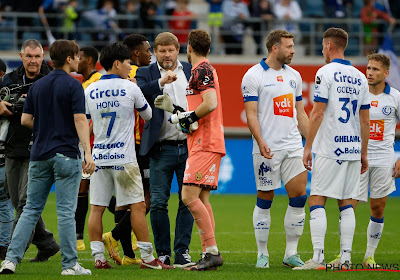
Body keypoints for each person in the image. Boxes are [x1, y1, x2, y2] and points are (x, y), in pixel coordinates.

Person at [0, 39, 95, 275]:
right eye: (77, 56)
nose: (78, 60)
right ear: (70, 59)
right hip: (65, 154)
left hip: (38, 155)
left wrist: (45, 129)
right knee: (65, 212)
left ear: (50, 59)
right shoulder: (74, 85)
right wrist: (88, 152)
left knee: (30, 209)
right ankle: (70, 264)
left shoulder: (37, 87)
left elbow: (25, 120)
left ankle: (10, 260)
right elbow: (80, 119)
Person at [86, 42, 174, 270]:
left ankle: (98, 258)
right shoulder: (130, 87)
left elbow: (85, 121)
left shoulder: (89, 90)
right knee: (137, 206)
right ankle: (147, 257)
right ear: (117, 63)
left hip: (99, 157)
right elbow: (147, 115)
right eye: (127, 63)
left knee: (96, 208)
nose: (130, 67)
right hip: (124, 158)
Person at [294, 27, 370, 270]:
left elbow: (317, 113)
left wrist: (308, 147)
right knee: (347, 203)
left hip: (331, 148)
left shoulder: (324, 72)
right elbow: (366, 120)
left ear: (329, 46)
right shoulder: (360, 77)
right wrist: (364, 153)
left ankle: (318, 257)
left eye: (322, 46)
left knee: (317, 198)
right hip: (353, 148)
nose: (322, 50)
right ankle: (346, 259)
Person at [155, 28, 225, 271]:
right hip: (202, 140)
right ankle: (209, 252)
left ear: (189, 49)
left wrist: (186, 118)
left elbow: (210, 105)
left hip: (204, 142)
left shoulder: (201, 70)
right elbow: (194, 118)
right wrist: (175, 112)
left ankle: (212, 251)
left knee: (187, 197)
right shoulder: (203, 69)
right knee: (202, 198)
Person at [241, 29, 309, 269]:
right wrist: (260, 141)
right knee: (265, 199)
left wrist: (310, 144)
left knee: (299, 197)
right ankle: (263, 254)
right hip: (267, 148)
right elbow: (251, 115)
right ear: (274, 48)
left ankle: (291, 253)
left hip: (292, 146)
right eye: (289, 46)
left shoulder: (295, 76)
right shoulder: (253, 75)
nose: (293, 50)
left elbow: (300, 113)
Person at [327, 54, 400, 268]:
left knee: (378, 208)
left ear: (386, 73)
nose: (369, 72)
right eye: (368, 68)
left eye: (376, 69)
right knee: (348, 206)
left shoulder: (395, 97)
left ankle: (369, 257)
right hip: (357, 158)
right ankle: (343, 255)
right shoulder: (358, 93)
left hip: (384, 160)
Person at [135, 32, 195, 267]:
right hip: (160, 148)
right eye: (162, 51)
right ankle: (163, 253)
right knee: (158, 202)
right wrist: (161, 82)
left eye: (170, 50)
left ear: (177, 50)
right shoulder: (145, 72)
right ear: (156, 53)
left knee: (187, 201)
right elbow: (140, 93)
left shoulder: (190, 71)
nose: (167, 55)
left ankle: (182, 252)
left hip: (189, 146)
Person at [0, 39, 60, 263]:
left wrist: (24, 104)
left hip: (40, 148)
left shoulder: (51, 78)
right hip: (13, 146)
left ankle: (12, 253)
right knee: (17, 202)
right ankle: (47, 244)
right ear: (21, 56)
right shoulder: (10, 79)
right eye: (29, 56)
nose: (33, 61)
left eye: (37, 56)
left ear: (43, 56)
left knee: (26, 203)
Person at [102, 34, 152, 266]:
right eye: (147, 50)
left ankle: (129, 256)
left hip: (119, 147)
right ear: (134, 54)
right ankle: (115, 236)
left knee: (123, 202)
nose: (150, 54)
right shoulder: (130, 78)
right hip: (137, 145)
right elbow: (145, 110)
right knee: (144, 201)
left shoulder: (126, 76)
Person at [74, 46, 103, 251]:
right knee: (83, 189)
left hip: (95, 146)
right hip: (85, 144)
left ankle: (126, 230)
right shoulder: (84, 83)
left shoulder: (97, 82)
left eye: (80, 57)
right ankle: (78, 238)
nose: (77, 60)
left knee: (101, 192)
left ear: (90, 60)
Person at [0, 58, 14, 261]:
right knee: (5, 204)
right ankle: (3, 246)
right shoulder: (10, 97)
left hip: (4, 159)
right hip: (5, 158)